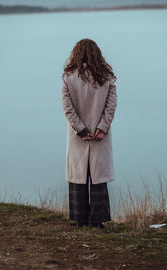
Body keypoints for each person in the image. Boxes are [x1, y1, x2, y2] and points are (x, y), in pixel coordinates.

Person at [61, 39, 117, 229]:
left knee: (78, 177)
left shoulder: (68, 77)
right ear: (97, 54)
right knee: (98, 179)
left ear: (76, 54)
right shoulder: (106, 77)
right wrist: (101, 128)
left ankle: (80, 219)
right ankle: (97, 221)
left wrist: (81, 129)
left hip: (79, 136)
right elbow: (111, 106)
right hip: (100, 135)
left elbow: (67, 108)